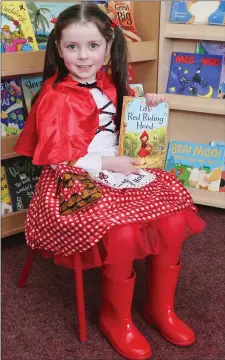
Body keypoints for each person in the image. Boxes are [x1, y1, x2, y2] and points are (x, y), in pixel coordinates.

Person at [14, 3, 206, 360]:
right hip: (71, 178)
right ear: (58, 49)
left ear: (108, 46)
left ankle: (159, 309)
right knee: (120, 230)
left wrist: (148, 105)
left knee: (175, 215)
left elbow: (133, 130)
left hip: (119, 168)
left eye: (92, 46)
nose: (83, 56)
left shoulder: (114, 84)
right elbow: (56, 157)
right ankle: (115, 318)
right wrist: (108, 162)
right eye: (72, 47)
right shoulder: (54, 97)